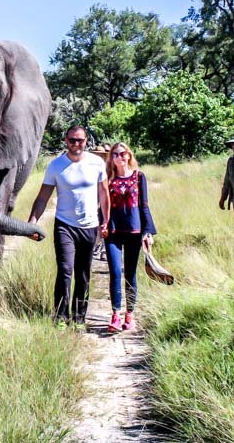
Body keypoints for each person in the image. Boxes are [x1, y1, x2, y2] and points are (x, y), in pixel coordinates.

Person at [28, 125, 110, 326]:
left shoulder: (97, 163)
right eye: (72, 140)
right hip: (65, 225)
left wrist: (106, 221)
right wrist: (32, 222)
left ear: (86, 141)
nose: (76, 144)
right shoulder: (56, 166)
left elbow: (104, 195)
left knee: (83, 274)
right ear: (66, 140)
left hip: (89, 226)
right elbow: (42, 198)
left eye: (80, 140)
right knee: (65, 270)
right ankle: (61, 317)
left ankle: (79, 317)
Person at [103, 142, 156, 333]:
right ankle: (115, 314)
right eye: (115, 154)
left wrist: (148, 231)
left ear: (129, 155)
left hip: (134, 231)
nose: (119, 157)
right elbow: (102, 205)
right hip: (113, 232)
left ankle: (130, 314)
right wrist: (102, 224)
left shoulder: (139, 177)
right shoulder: (108, 179)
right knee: (115, 272)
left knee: (130, 274)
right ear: (111, 158)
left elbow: (144, 205)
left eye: (123, 153)